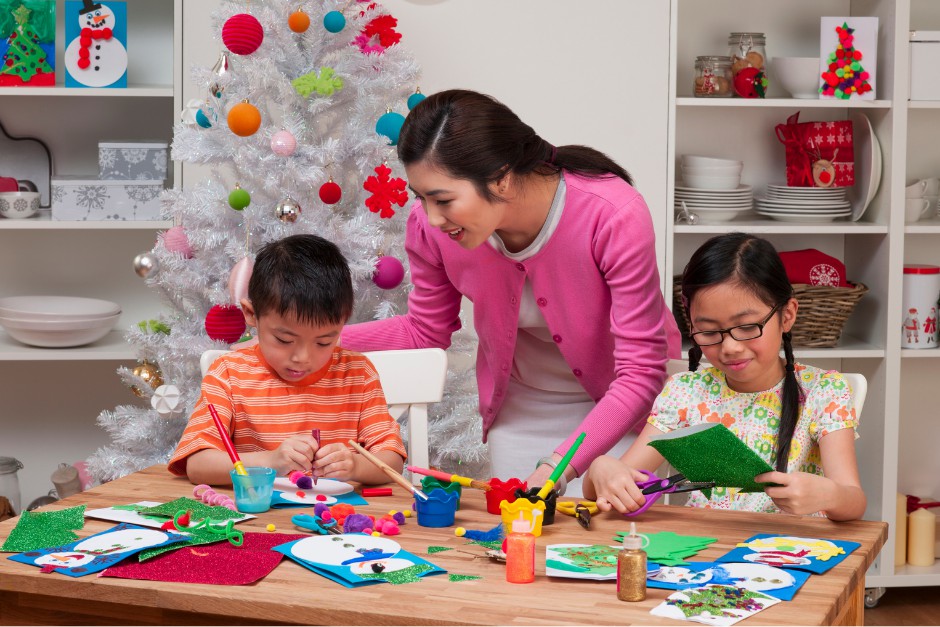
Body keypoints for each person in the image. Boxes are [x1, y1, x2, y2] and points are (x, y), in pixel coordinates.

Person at [340, 89, 681, 496]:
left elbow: (641, 372)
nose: (431, 218)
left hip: (629, 412)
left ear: (501, 177)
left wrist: (561, 464)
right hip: (524, 410)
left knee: (618, 550)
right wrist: (310, 338)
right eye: (422, 198)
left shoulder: (612, 214)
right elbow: (424, 332)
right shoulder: (431, 229)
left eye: (443, 200)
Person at [583, 232, 866, 521]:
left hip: (790, 556)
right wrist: (601, 469)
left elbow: (854, 501)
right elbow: (606, 489)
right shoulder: (685, 393)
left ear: (787, 315)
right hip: (701, 556)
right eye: (708, 331)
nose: (730, 347)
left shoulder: (823, 391)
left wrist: (829, 495)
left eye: (747, 327)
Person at [168, 234, 407, 486]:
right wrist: (270, 461)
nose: (302, 358)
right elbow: (198, 465)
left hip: (338, 518)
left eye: (324, 342)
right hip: (258, 517)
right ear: (251, 314)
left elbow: (392, 460)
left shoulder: (357, 374)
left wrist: (356, 465)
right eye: (284, 340)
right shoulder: (229, 373)